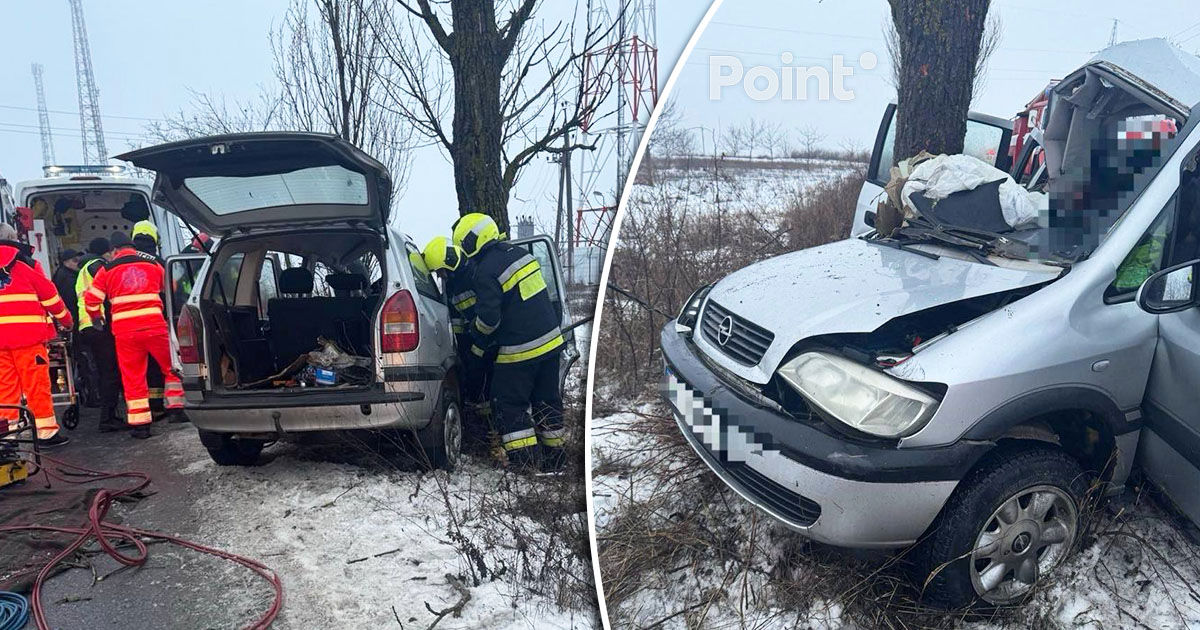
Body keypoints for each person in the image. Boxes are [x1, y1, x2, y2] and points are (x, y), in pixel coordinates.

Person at [452, 213, 567, 473]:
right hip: (550, 344)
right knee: (547, 400)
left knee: (508, 405)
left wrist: (475, 334)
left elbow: (490, 319)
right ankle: (556, 460)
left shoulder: (484, 271)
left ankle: (526, 464)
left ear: (472, 242)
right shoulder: (521, 255)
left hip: (520, 350)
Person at [82, 231, 184, 439]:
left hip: (125, 332)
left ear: (114, 250)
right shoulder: (152, 263)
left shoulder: (107, 269)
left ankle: (141, 426)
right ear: (132, 247)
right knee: (171, 367)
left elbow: (91, 300)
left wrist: (96, 319)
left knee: (133, 376)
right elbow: (171, 288)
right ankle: (176, 409)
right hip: (155, 326)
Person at [0, 223, 74, 447]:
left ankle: (7, 436)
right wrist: (67, 322)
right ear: (14, 239)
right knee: (36, 385)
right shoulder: (27, 264)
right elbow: (50, 297)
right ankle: (46, 433)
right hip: (28, 339)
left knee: (4, 388)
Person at [423, 236, 495, 445]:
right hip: (475, 341)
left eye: (441, 271)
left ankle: (491, 431)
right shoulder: (453, 285)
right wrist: (462, 347)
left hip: (490, 341)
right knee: (478, 384)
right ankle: (485, 430)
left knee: (490, 386)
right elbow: (457, 320)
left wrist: (478, 347)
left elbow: (490, 314)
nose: (441, 276)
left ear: (449, 262)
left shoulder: (475, 275)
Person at [75, 237, 124, 432]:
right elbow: (110, 287)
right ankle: (107, 419)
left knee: (103, 371)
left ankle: (109, 416)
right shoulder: (97, 265)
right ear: (109, 251)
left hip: (88, 326)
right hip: (98, 325)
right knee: (109, 372)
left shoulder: (84, 267)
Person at [52, 249, 82, 327]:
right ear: (65, 262)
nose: (78, 263)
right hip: (73, 316)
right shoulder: (66, 277)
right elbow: (72, 299)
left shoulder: (66, 274)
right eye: (75, 260)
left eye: (79, 260)